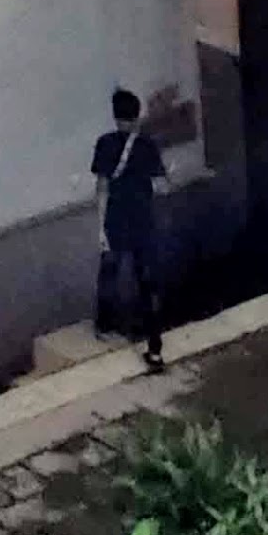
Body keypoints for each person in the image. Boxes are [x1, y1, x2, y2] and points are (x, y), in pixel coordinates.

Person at [92, 87, 166, 370]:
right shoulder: (147, 146)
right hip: (143, 222)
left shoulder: (105, 144)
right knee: (147, 283)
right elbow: (160, 185)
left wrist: (100, 228)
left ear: (114, 117)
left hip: (115, 220)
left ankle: (105, 325)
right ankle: (154, 348)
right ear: (137, 116)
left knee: (109, 272)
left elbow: (102, 188)